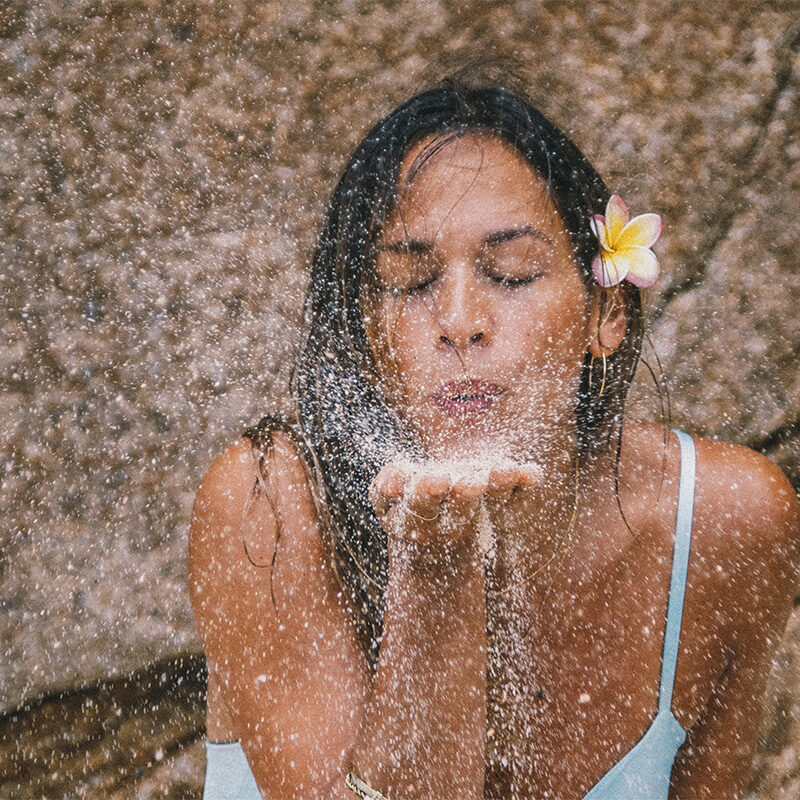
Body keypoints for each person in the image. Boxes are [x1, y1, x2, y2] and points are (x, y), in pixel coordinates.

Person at [188, 69, 800, 800]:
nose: (459, 320)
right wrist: (433, 572)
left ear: (606, 314)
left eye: (510, 274)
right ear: (368, 343)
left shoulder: (728, 521)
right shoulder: (272, 509)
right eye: (411, 284)